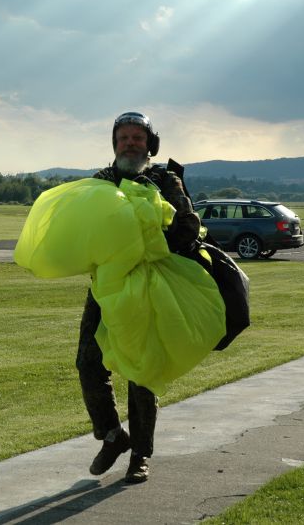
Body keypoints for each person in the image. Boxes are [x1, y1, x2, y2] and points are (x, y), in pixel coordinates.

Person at [77, 111, 201, 483]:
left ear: (150, 143)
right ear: (114, 144)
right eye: (124, 138)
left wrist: (154, 244)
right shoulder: (101, 181)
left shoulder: (166, 179)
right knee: (88, 361)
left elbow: (189, 224)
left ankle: (140, 455)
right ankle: (113, 436)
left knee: (142, 369)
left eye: (138, 138)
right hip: (107, 285)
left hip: (151, 285)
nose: (130, 143)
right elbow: (84, 225)